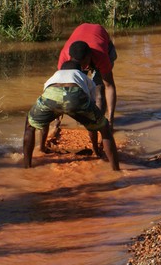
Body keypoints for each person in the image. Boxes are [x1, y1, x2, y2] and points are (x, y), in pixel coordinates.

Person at [23, 41, 120, 171]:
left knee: (30, 125)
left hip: (51, 94)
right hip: (76, 95)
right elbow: (91, 118)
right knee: (104, 127)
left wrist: (56, 118)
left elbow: (47, 101)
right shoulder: (84, 78)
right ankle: (114, 168)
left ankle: (29, 164)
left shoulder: (54, 76)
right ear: (86, 58)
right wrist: (96, 145)